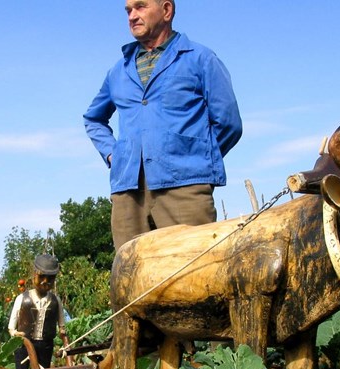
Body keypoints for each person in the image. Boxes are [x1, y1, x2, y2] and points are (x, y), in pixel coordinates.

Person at [84, 0, 243, 250]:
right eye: (128, 11)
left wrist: (194, 159)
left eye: (140, 7)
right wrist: (113, 155)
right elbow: (93, 118)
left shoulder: (200, 58)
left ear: (166, 10)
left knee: (193, 274)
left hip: (185, 188)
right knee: (132, 278)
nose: (132, 16)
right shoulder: (118, 71)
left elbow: (229, 122)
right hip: (128, 192)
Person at [7, 254, 68, 369]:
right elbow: (11, 325)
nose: (45, 282)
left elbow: (62, 326)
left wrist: (65, 342)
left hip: (45, 344)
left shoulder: (56, 301)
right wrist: (15, 334)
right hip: (24, 344)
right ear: (34, 275)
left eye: (50, 279)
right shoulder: (22, 298)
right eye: (41, 277)